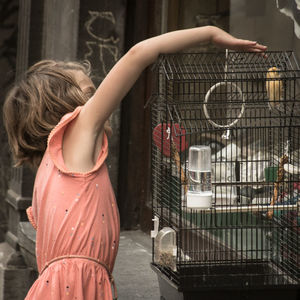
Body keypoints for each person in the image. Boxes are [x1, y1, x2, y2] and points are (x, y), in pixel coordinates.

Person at [3, 26, 266, 299]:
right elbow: (137, 54)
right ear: (64, 106)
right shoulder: (77, 132)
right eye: (90, 93)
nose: (101, 101)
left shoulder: (51, 164)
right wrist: (210, 33)